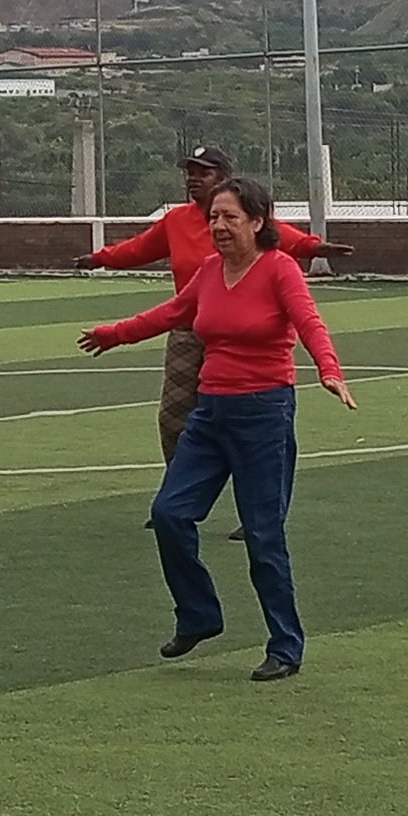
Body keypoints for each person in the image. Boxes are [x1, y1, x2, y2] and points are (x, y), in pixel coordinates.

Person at [81, 174, 355, 678]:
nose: (219, 226)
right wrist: (114, 334)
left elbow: (309, 322)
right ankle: (199, 615)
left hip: (264, 414)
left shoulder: (279, 269)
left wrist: (329, 370)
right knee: (169, 514)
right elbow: (173, 312)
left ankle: (285, 647)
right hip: (210, 415)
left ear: (258, 221)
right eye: (213, 218)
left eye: (231, 217)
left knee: (262, 536)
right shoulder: (210, 270)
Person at [83, 145, 330, 466]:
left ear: (224, 178)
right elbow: (139, 249)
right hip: (190, 328)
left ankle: (233, 471)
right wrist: (100, 259)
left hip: (241, 331)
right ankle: (182, 481)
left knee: (234, 415)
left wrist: (314, 248)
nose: (194, 179)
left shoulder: (245, 222)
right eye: (191, 173)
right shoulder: (176, 221)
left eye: (204, 173)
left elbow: (284, 236)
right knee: (174, 417)